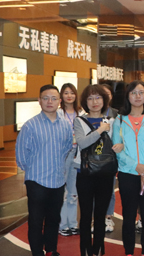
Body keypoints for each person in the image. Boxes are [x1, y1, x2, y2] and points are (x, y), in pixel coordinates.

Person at [16, 85, 73, 256]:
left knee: (54, 219)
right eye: (45, 98)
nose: (50, 101)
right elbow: (21, 156)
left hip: (58, 180)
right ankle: (37, 252)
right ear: (39, 101)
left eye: (54, 98)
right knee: (36, 220)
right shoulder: (30, 126)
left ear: (59, 101)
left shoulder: (65, 125)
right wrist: (34, 170)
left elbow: (67, 148)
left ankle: (51, 250)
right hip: (37, 181)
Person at [112, 81, 144, 256]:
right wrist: (136, 166)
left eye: (141, 92)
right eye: (133, 92)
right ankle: (129, 252)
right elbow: (117, 149)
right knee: (129, 217)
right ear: (128, 96)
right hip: (127, 174)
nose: (137, 96)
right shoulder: (119, 120)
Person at [74, 84, 121, 256]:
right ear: (85, 102)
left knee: (101, 216)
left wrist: (120, 145)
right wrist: (101, 129)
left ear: (104, 100)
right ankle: (85, 250)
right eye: (90, 98)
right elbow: (82, 142)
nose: (95, 102)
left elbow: (117, 143)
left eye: (98, 97)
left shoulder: (114, 121)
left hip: (106, 174)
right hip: (85, 174)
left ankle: (99, 249)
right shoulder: (79, 121)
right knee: (86, 215)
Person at [58, 83, 81, 237]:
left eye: (72, 93)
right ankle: (62, 224)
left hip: (77, 154)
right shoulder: (58, 113)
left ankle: (73, 223)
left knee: (73, 191)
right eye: (66, 93)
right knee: (63, 190)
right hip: (64, 154)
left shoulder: (81, 112)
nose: (69, 96)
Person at [101, 83, 119, 234]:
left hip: (111, 156)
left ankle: (108, 217)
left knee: (109, 188)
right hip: (93, 157)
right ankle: (96, 218)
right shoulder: (89, 113)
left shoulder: (117, 114)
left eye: (107, 94)